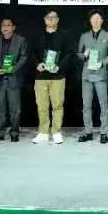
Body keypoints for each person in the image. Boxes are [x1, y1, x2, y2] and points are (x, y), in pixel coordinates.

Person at [33, 8, 74, 145]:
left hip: (58, 76)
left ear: (57, 19)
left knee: (57, 105)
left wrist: (59, 66)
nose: (51, 19)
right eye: (48, 17)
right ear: (45, 20)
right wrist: (37, 64)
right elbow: (32, 52)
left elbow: (69, 53)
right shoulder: (38, 34)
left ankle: (56, 132)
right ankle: (43, 132)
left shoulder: (65, 35)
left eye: (54, 17)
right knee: (42, 106)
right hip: (41, 76)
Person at [0, 17, 29, 143]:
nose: (5, 27)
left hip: (13, 79)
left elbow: (24, 57)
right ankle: (0, 133)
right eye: (3, 25)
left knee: (15, 110)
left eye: (8, 25)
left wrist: (13, 69)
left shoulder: (21, 40)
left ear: (13, 27)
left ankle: (14, 133)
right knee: (0, 110)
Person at [77, 9, 108, 144]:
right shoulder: (84, 36)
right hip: (86, 75)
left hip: (100, 74)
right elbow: (78, 53)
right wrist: (84, 55)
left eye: (98, 18)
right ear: (90, 20)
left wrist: (102, 63)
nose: (96, 20)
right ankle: (88, 132)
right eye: (93, 18)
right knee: (86, 105)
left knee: (103, 104)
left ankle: (104, 133)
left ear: (102, 21)